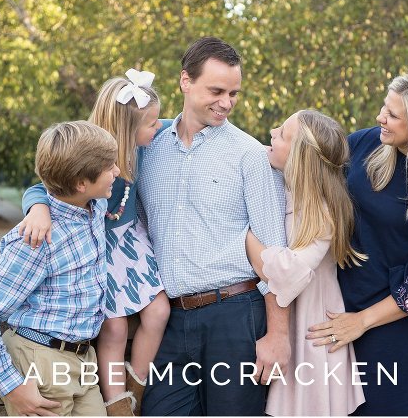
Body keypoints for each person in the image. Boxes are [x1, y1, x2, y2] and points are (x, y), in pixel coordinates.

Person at [137, 37, 290, 416]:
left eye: (234, 93)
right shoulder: (148, 150)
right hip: (171, 318)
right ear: (185, 81)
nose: (226, 102)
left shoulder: (250, 155)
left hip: (235, 316)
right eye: (217, 90)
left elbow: (274, 251)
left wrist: (278, 335)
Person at [307, 72, 408, 416]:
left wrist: (361, 321)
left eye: (393, 115)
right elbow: (303, 168)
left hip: (391, 331)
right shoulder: (365, 144)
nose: (381, 117)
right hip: (332, 310)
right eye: (385, 107)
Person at [19, 71, 170, 416]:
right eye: (151, 124)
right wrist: (38, 209)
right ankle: (116, 402)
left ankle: (138, 386)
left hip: (131, 242)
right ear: (128, 129)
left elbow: (180, 120)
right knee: (114, 326)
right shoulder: (93, 155)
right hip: (99, 246)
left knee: (159, 310)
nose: (159, 128)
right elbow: (42, 185)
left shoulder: (143, 143)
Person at [0, 120, 120, 416]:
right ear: (81, 184)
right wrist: (11, 385)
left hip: (84, 359)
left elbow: (45, 187)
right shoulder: (36, 241)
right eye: (110, 167)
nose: (117, 171)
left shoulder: (94, 206)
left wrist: (38, 204)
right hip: (41, 360)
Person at [244, 109, 366, 416]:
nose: (272, 132)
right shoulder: (279, 186)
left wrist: (244, 236)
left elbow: (288, 273)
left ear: (301, 156)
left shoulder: (322, 211)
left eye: (282, 134)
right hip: (285, 323)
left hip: (313, 334)